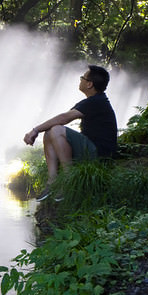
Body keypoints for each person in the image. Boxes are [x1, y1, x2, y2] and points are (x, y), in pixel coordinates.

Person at [23, 65, 117, 197]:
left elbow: (64, 118)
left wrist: (35, 130)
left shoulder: (96, 102)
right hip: (91, 149)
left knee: (56, 130)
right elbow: (64, 116)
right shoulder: (94, 101)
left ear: (89, 84)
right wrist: (40, 130)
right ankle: (52, 181)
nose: (80, 80)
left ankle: (68, 179)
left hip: (100, 154)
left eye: (82, 78)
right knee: (50, 132)